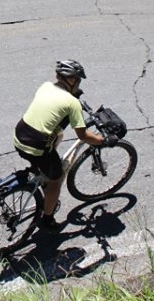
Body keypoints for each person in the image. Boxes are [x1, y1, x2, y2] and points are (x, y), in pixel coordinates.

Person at [13, 59, 119, 231]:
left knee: (57, 135)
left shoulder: (46, 86)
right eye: (78, 80)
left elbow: (52, 110)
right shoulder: (72, 103)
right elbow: (83, 135)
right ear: (72, 80)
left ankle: (40, 173)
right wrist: (103, 141)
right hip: (36, 146)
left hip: (20, 135)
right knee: (56, 179)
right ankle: (47, 219)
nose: (78, 83)